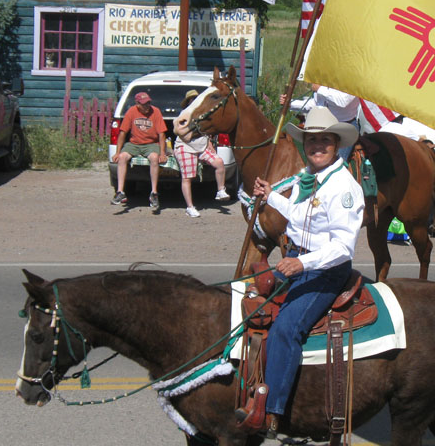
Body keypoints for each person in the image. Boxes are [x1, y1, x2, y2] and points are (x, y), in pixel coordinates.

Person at [236, 106, 365, 435]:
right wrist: (271, 197)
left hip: (325, 272)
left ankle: (272, 412)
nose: (317, 146)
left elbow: (342, 247)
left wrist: (300, 262)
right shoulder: (308, 178)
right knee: (249, 298)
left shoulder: (344, 188)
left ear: (336, 144)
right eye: (311, 140)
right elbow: (297, 213)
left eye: (324, 141)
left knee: (285, 330)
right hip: (296, 263)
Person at [173, 90, 230, 218]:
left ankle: (221, 190)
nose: (194, 101)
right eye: (191, 99)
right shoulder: (184, 116)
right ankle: (190, 207)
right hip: (186, 147)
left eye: (196, 99)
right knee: (188, 177)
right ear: (188, 102)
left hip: (201, 147)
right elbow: (184, 136)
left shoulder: (202, 114)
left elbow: (207, 130)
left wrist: (209, 140)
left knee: (219, 163)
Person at [111, 91, 167, 210]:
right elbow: (123, 132)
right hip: (134, 143)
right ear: (137, 104)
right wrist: (117, 152)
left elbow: (162, 134)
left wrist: (162, 153)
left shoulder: (155, 111)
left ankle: (154, 192)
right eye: (144, 104)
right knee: (122, 157)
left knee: (154, 158)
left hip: (151, 143)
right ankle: (120, 191)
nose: (147, 106)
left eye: (148, 103)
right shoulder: (131, 111)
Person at [282, 84, 359, 161]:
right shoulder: (324, 80)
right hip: (320, 125)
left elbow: (343, 101)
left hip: (344, 127)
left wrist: (320, 89)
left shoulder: (351, 78)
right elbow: (317, 104)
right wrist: (290, 103)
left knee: (337, 161)